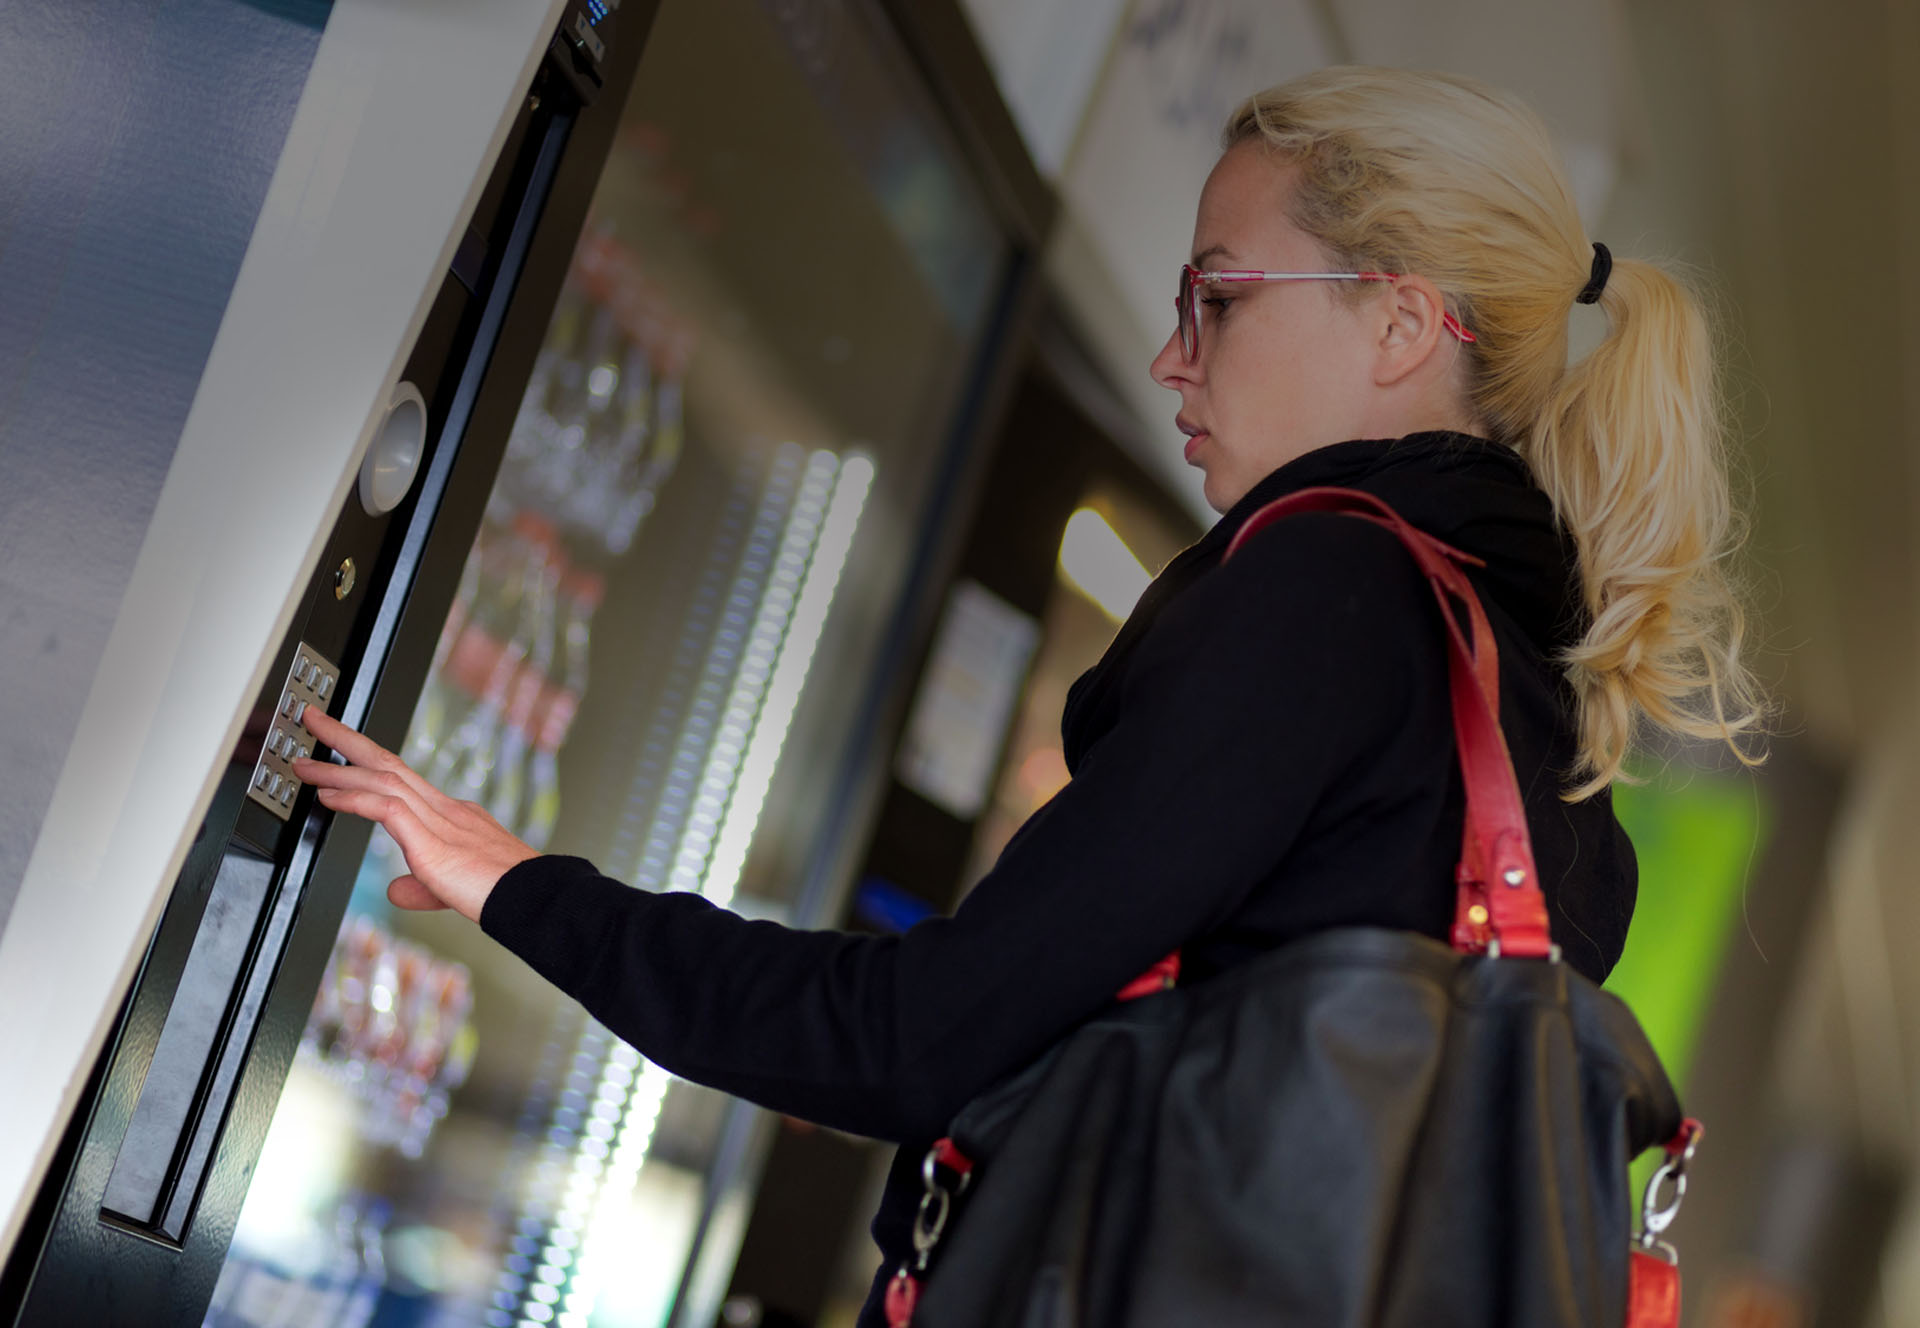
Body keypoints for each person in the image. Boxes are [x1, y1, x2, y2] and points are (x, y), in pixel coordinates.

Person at [295, 64, 1764, 1325]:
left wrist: (524, 888)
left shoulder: (1329, 602)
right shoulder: (1551, 739)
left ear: (1397, 324)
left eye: (1219, 297)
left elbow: (920, 1038)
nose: (1168, 357)